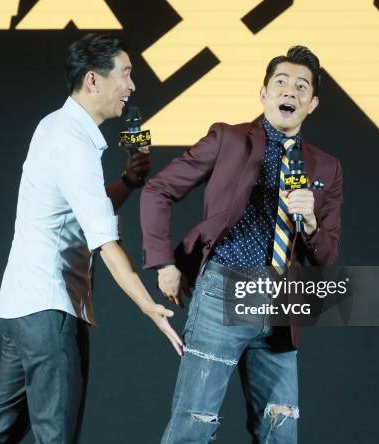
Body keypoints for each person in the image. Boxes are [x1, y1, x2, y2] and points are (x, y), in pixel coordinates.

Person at [0, 33, 182, 444]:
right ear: (93, 80)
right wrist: (148, 306)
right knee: (56, 436)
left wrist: (128, 182)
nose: (132, 86)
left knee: (1, 429)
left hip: (21, 309)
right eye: (126, 74)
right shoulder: (72, 142)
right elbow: (104, 240)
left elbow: (82, 210)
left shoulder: (57, 127)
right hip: (48, 311)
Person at [140, 46, 343, 443]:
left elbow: (326, 255)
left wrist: (312, 222)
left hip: (285, 302)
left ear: (312, 103)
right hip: (224, 290)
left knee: (280, 432)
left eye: (301, 87)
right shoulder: (229, 139)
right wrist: (164, 262)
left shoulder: (326, 167)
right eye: (281, 82)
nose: (290, 91)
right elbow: (158, 189)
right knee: (193, 426)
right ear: (264, 93)